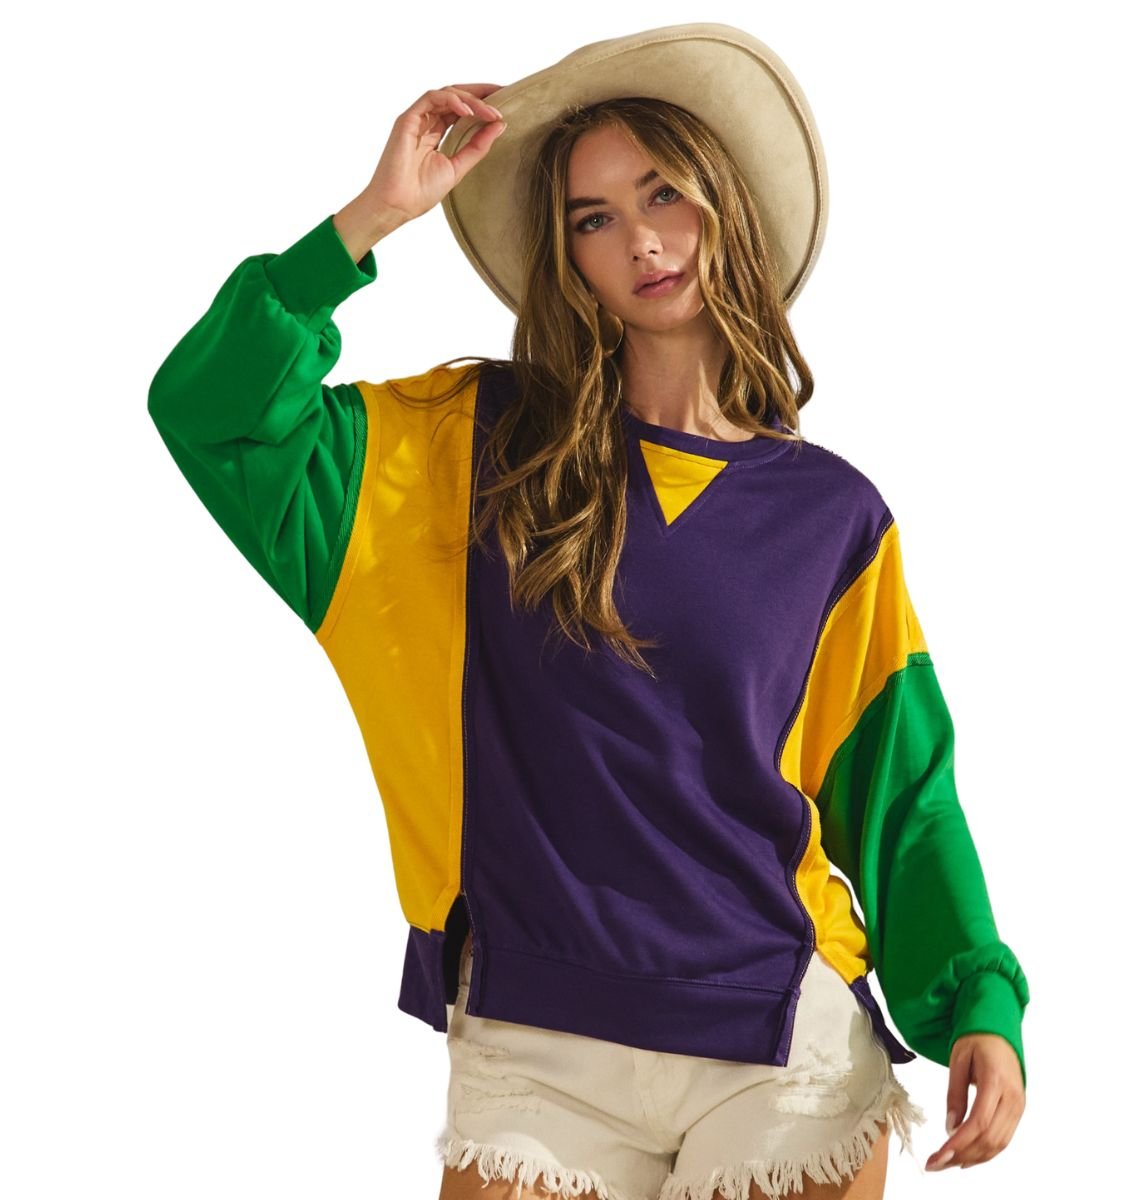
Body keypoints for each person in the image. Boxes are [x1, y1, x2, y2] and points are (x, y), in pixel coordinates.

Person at [147, 22, 1029, 1200]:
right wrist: (366, 222)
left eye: (663, 192)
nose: (641, 240)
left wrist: (980, 1002)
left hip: (779, 1035)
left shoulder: (833, 519)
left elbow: (904, 797)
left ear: (723, 201)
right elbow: (209, 414)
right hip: (535, 1041)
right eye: (592, 218)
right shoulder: (462, 448)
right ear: (567, 259)